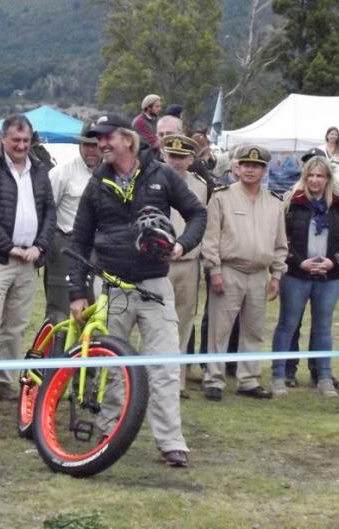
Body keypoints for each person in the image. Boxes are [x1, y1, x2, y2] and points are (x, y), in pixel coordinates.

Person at [68, 113, 207, 467]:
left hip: (155, 286)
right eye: (96, 139)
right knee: (114, 366)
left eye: (106, 138)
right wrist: (77, 293)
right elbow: (79, 240)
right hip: (112, 287)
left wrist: (181, 246)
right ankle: (110, 430)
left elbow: (197, 214)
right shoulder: (97, 184)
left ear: (127, 140)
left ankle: (171, 442)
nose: (100, 144)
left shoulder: (162, 175)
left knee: (164, 366)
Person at [0, 114, 56, 412]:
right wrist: (10, 247)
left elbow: (49, 211)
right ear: (3, 139)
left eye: (26, 140)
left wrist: (40, 246)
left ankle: (2, 381)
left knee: (15, 326)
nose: (20, 145)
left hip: (29, 260)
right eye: (15, 140)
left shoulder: (40, 169)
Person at [202, 144, 287, 401]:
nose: (250, 170)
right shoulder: (221, 197)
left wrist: (277, 275)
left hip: (260, 274)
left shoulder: (274, 202)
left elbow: (280, 243)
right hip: (229, 270)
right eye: (246, 165)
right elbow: (211, 238)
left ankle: (248, 379)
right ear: (236, 167)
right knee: (219, 329)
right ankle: (214, 379)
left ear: (264, 170)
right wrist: (214, 270)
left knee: (254, 329)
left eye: (256, 166)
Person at [271, 156, 339, 398]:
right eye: (311, 175)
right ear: (304, 177)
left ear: (327, 178)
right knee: (288, 324)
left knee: (323, 327)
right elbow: (282, 238)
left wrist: (334, 260)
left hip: (330, 276)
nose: (315, 180)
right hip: (296, 273)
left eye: (320, 175)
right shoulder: (292, 202)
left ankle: (324, 376)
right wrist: (299, 262)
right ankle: (279, 374)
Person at [162, 135, 208, 397]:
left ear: (192, 159)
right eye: (172, 156)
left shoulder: (201, 186)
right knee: (155, 321)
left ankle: (176, 381)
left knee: (183, 321)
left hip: (189, 263)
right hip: (159, 263)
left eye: (182, 157)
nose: (176, 162)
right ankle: (151, 376)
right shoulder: (152, 180)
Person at [45, 120, 102, 323]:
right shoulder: (62, 172)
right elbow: (46, 212)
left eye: (96, 145)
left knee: (96, 308)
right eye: (87, 145)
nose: (91, 150)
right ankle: (56, 354)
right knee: (62, 310)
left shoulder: (110, 174)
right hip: (67, 246)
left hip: (99, 248)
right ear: (79, 145)